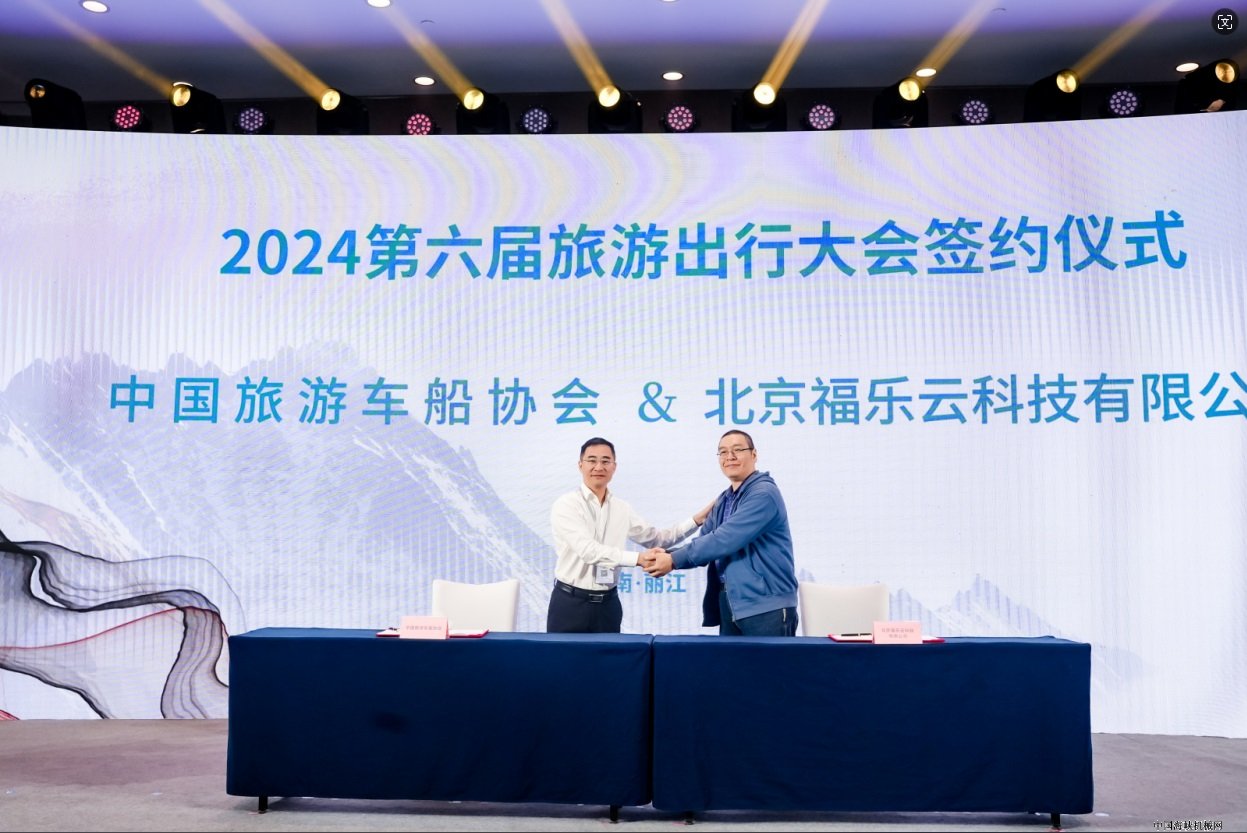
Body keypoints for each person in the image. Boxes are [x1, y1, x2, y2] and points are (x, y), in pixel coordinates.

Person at [641, 430, 798, 636]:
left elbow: (724, 539)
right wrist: (665, 554)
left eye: (737, 450)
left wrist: (672, 560)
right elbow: (705, 542)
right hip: (731, 602)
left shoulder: (763, 494)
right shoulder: (724, 499)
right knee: (730, 660)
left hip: (766, 606)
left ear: (754, 454)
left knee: (769, 660)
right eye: (723, 452)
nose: (729, 457)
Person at [547, 437, 712, 633]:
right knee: (564, 655)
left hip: (608, 605)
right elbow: (588, 551)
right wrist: (639, 559)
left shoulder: (621, 508)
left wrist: (697, 520)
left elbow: (657, 539)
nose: (599, 467)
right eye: (592, 460)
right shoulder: (566, 504)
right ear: (580, 465)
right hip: (569, 603)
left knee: (610, 655)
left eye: (605, 461)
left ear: (614, 467)